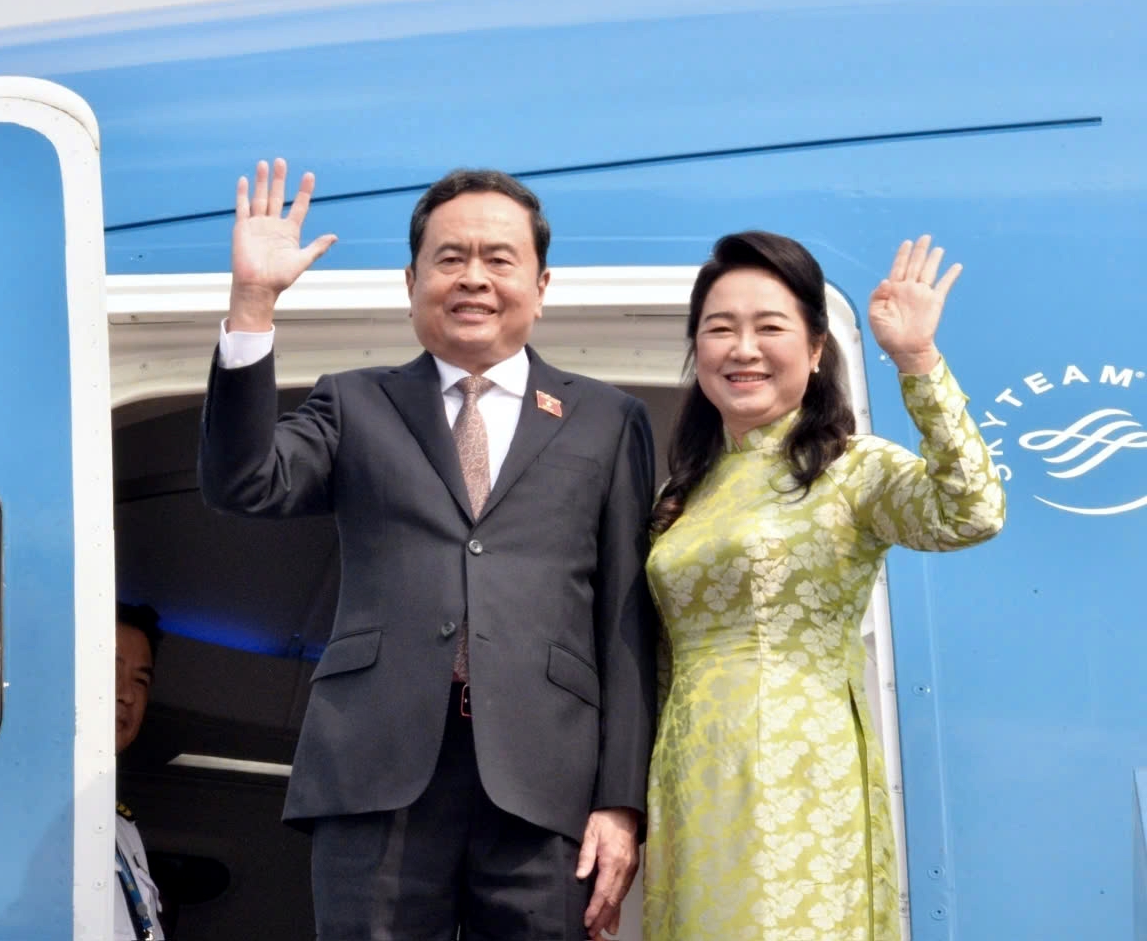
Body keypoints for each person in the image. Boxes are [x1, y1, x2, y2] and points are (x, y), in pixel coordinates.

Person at [198, 160, 657, 940]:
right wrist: (252, 303)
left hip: (545, 784)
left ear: (542, 284)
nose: (473, 277)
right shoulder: (354, 400)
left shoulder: (607, 418)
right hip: (377, 773)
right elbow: (245, 482)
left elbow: (624, 621)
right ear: (410, 280)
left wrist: (621, 801)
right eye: (450, 258)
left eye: (498, 258)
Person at [643, 232, 1006, 940]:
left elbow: (973, 511)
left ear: (814, 350)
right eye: (719, 329)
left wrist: (917, 362)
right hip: (688, 773)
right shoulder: (681, 493)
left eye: (769, 327)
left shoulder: (850, 469)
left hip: (798, 768)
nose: (742, 348)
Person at [115, 602, 167, 941]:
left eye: (140, 680)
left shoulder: (124, 831)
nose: (126, 694)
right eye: (111, 670)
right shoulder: (24, 809)